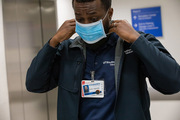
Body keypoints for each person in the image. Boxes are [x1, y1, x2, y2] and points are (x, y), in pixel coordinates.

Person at [26, 0, 180, 120]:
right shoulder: (67, 50)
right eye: (80, 19)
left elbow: (173, 83)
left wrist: (137, 40)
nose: (87, 24)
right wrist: (53, 43)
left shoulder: (134, 45)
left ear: (110, 13)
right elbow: (34, 84)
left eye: (93, 18)